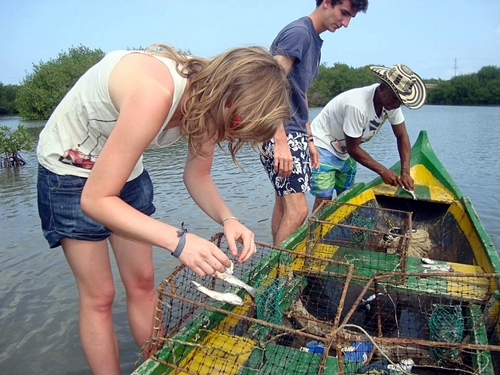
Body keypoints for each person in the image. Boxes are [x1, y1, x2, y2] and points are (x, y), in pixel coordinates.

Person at [36, 44, 290, 375]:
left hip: (125, 167)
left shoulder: (210, 103)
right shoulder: (155, 94)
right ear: (229, 100)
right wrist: (179, 241)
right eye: (235, 127)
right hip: (70, 171)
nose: (229, 138)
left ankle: (157, 368)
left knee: (142, 282)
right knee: (100, 296)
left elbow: (197, 175)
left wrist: (229, 219)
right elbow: (95, 200)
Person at [260, 0, 369, 246]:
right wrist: (280, 140)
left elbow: (301, 93)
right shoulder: (299, 33)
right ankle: (278, 273)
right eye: (343, 13)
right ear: (327, 3)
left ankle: (275, 267)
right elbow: (270, 84)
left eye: (350, 17)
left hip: (294, 131)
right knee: (298, 211)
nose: (345, 23)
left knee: (284, 202)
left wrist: (308, 139)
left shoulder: (314, 41)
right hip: (280, 130)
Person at [310, 63, 427, 211]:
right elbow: (353, 148)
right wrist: (383, 171)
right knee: (324, 198)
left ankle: (341, 230)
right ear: (382, 88)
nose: (397, 105)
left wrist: (405, 172)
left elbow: (402, 136)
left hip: (345, 148)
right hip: (323, 144)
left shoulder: (392, 104)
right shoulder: (358, 106)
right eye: (395, 99)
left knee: (345, 196)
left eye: (401, 102)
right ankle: (315, 232)